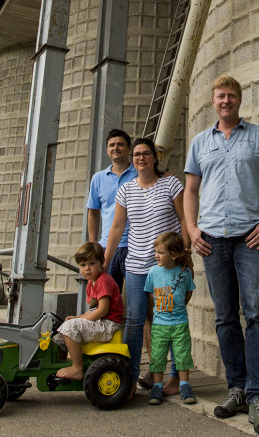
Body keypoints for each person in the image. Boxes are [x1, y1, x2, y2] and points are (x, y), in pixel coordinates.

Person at [184, 75, 259, 435]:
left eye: (231, 95)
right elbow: (191, 191)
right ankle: (238, 388)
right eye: (220, 96)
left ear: (239, 100)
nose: (225, 101)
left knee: (257, 314)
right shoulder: (199, 142)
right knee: (225, 317)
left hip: (250, 238)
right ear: (213, 101)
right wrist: (193, 229)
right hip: (212, 239)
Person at [105, 136, 186, 395]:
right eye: (137, 154)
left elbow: (185, 219)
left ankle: (175, 378)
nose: (141, 158)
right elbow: (117, 227)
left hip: (166, 268)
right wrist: (106, 260)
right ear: (133, 159)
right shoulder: (126, 190)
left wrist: (185, 255)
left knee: (167, 320)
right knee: (135, 320)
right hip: (137, 265)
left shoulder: (171, 183)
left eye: (146, 153)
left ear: (155, 157)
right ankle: (129, 379)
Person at [55, 241, 124, 381]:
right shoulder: (91, 282)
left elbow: (103, 310)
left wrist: (79, 321)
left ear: (101, 262)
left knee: (70, 327)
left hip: (108, 325)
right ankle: (58, 364)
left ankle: (77, 368)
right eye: (83, 265)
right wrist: (77, 317)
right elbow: (94, 310)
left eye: (92, 264)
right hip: (100, 321)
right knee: (61, 331)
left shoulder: (103, 281)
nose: (87, 268)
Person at [143, 231, 198, 405]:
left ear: (174, 255)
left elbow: (188, 293)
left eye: (161, 252)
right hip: (160, 324)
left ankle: (184, 385)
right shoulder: (153, 273)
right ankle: (157, 386)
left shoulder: (184, 273)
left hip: (179, 322)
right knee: (158, 356)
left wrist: (179, 307)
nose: (156, 255)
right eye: (156, 251)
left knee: (182, 355)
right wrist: (156, 314)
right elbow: (151, 296)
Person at [86, 129, 136, 290]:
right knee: (106, 298)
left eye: (120, 144)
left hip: (135, 245)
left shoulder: (140, 173)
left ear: (129, 148)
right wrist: (93, 243)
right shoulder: (98, 178)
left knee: (139, 296)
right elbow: (93, 211)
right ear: (107, 150)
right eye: (112, 145)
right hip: (107, 247)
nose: (116, 148)